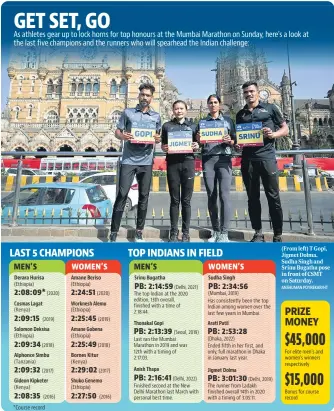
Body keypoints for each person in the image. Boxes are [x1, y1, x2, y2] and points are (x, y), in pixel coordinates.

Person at [236, 81, 289, 242]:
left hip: (267, 158)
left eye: (251, 91)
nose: (249, 94)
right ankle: (258, 232)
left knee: (273, 196)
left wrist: (273, 135)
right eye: (246, 92)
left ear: (258, 92)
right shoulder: (240, 114)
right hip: (248, 159)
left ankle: (277, 234)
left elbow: (285, 129)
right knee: (252, 198)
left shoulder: (271, 108)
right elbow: (239, 138)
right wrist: (238, 144)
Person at [109, 83, 161, 242]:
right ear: (139, 96)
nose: (145, 98)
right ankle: (113, 232)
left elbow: (158, 136)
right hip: (129, 160)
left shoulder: (156, 116)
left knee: (144, 196)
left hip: (146, 161)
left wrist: (158, 139)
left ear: (152, 98)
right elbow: (117, 131)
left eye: (148, 95)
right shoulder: (128, 113)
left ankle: (139, 231)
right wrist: (123, 136)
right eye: (142, 95)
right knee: (122, 194)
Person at [196, 94, 236, 242]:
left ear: (219, 104)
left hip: (224, 159)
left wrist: (230, 140)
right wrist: (199, 140)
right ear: (207, 105)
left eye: (215, 102)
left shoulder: (228, 121)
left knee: (224, 196)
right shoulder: (202, 122)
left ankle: (224, 233)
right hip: (208, 160)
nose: (213, 105)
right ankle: (216, 231)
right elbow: (198, 142)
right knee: (211, 196)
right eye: (210, 103)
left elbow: (235, 140)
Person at [161, 100, 199, 242]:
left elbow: (197, 144)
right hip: (173, 164)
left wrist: (196, 145)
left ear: (186, 110)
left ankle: (186, 232)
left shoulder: (193, 126)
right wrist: (164, 148)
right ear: (173, 110)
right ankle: (173, 231)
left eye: (181, 108)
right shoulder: (167, 126)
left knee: (186, 200)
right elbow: (164, 144)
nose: (179, 111)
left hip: (188, 163)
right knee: (174, 200)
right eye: (176, 109)